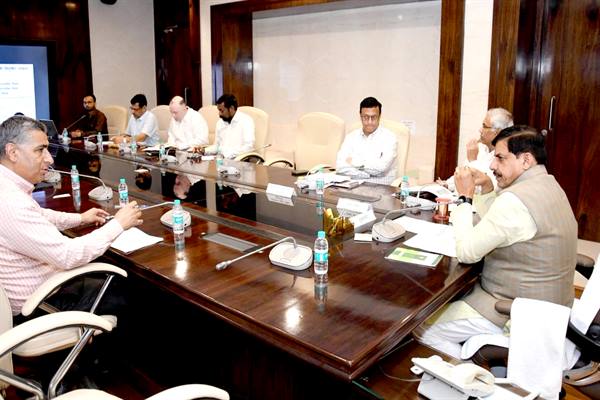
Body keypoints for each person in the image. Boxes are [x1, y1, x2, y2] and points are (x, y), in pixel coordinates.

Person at [415, 125, 577, 359]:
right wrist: (488, 188)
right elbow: (499, 224)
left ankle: (469, 377)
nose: (492, 165)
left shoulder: (515, 200)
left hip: (514, 309)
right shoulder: (549, 184)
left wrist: (465, 198)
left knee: (423, 327)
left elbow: (467, 252)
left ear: (526, 160)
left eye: (500, 158)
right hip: (551, 304)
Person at [0, 115, 142, 316]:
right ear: (13, 152)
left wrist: (81, 218)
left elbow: (39, 215)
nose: (49, 159)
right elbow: (68, 255)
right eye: (40, 150)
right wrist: (118, 224)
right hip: (44, 304)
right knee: (135, 290)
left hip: (42, 289)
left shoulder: (6, 186)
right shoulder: (11, 202)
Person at [440, 108, 513, 191]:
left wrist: (472, 160)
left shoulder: (504, 157)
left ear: (497, 132)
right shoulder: (481, 147)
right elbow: (462, 173)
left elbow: (483, 188)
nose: (480, 130)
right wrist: (446, 184)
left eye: (484, 126)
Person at [335, 97, 397, 185]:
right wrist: (366, 174)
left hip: (381, 188)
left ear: (379, 116)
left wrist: (353, 162)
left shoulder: (389, 138)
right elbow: (340, 167)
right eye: (366, 117)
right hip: (354, 187)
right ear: (360, 116)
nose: (370, 122)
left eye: (373, 117)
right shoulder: (351, 137)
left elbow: (381, 169)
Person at [212, 94, 255, 159]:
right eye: (219, 110)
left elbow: (249, 147)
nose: (219, 114)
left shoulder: (246, 121)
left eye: (222, 111)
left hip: (239, 160)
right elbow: (217, 146)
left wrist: (228, 153)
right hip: (221, 160)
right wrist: (204, 151)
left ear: (231, 108)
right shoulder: (220, 123)